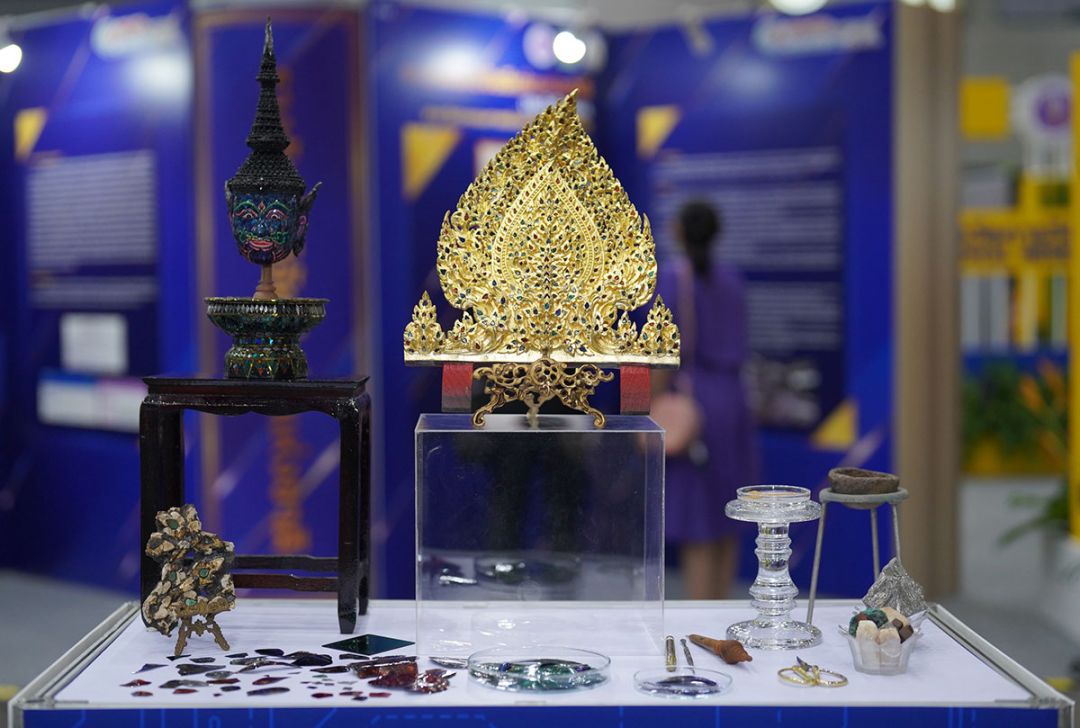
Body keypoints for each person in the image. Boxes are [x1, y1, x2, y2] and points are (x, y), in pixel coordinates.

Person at [654, 201, 757, 600]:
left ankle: (701, 618)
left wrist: (649, 406)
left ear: (678, 231)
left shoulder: (671, 280)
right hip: (733, 401)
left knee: (699, 521)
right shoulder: (732, 280)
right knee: (729, 514)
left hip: (694, 406)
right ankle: (722, 610)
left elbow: (663, 355)